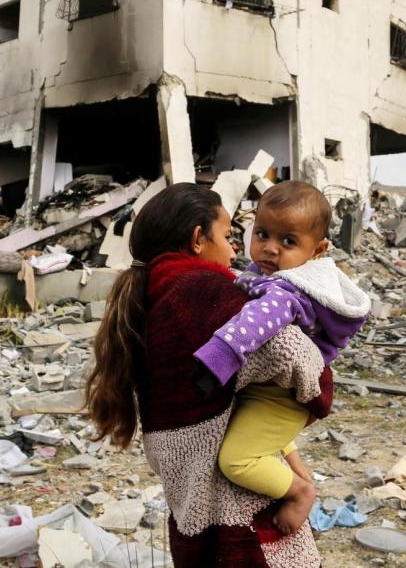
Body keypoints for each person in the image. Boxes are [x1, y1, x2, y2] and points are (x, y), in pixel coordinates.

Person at [85, 183, 332, 567]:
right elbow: (290, 353)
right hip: (238, 510)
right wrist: (320, 384)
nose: (236, 250)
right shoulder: (201, 291)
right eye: (229, 236)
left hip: (192, 505)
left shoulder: (152, 295)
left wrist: (291, 457)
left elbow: (236, 395)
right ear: (198, 238)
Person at [192, 182, 370, 534]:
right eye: (262, 234)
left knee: (235, 460)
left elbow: (255, 321)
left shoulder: (290, 291)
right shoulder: (276, 273)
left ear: (317, 250)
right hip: (269, 389)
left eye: (288, 241)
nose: (270, 249)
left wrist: (217, 358)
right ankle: (291, 462)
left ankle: (300, 492)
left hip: (283, 399)